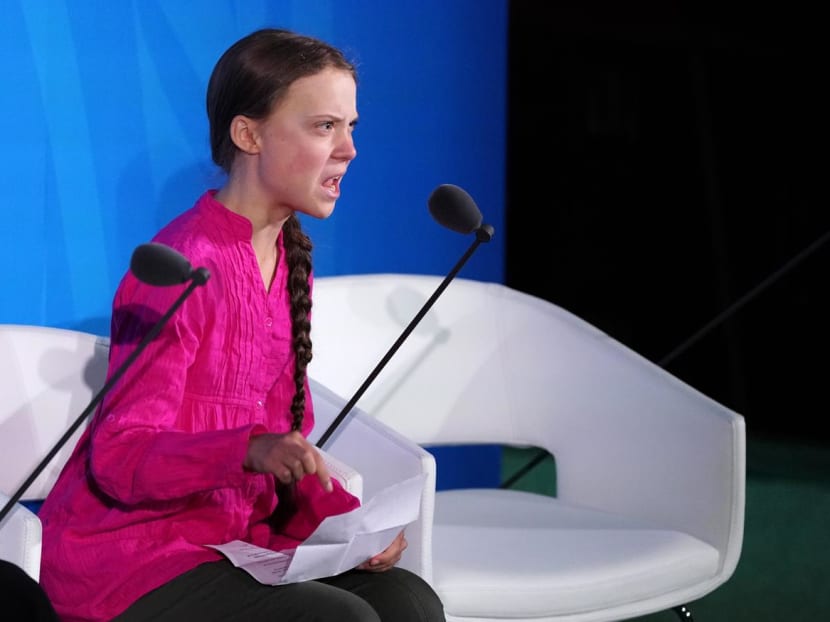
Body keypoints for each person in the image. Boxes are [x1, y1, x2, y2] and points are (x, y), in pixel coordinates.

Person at [37, 28, 446, 622]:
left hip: (232, 545)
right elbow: (121, 458)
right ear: (247, 133)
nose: (349, 149)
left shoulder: (288, 261)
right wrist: (247, 451)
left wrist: (350, 527)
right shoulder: (179, 267)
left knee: (409, 600)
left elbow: (288, 446)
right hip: (131, 560)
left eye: (351, 126)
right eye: (324, 126)